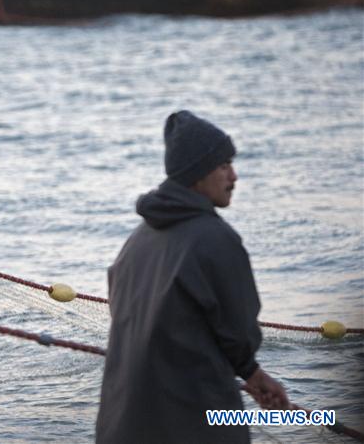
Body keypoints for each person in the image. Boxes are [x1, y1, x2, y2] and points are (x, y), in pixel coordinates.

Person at [96, 111, 289, 444]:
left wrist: (252, 375)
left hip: (121, 424)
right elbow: (238, 333)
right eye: (224, 165)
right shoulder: (215, 239)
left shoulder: (136, 241)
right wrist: (252, 370)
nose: (235, 175)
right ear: (198, 174)